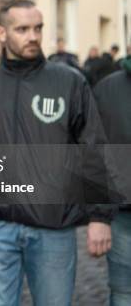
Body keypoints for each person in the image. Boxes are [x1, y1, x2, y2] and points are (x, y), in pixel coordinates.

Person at [0, 0, 112, 306]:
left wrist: (100, 215)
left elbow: (93, 148)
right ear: (1, 33)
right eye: (22, 29)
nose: (33, 36)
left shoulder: (69, 82)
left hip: (54, 226)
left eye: (37, 28)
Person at [94, 54, 131, 305]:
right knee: (123, 292)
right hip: (121, 212)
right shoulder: (107, 89)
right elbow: (93, 153)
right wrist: (99, 214)